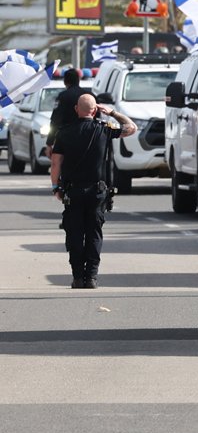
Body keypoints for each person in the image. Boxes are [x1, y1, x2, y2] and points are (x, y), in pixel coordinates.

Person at [49, 94, 138, 289]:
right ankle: (91, 277)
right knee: (94, 234)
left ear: (76, 109)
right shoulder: (104, 129)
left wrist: (55, 187)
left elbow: (56, 163)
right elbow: (131, 128)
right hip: (97, 192)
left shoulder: (64, 132)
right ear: (95, 110)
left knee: (74, 234)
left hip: (72, 192)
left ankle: (77, 277)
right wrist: (112, 113)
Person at [45, 68, 86, 153]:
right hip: (87, 139)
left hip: (67, 140)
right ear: (78, 80)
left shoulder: (62, 97)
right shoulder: (89, 96)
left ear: (65, 81)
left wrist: (49, 143)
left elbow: (55, 120)